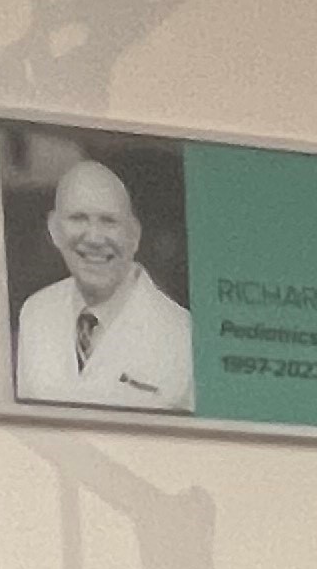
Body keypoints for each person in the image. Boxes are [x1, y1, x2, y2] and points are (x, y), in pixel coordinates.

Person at [13, 154, 196, 411]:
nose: (95, 238)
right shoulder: (35, 313)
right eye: (78, 218)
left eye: (109, 221)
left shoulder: (183, 335)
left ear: (134, 235)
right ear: (54, 229)